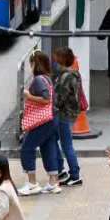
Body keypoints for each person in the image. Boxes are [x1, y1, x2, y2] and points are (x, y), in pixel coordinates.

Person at [18, 51, 63, 194]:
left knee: (27, 147)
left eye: (31, 63)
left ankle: (32, 183)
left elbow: (46, 99)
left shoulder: (38, 80)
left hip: (43, 120)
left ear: (34, 64)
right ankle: (53, 182)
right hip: (52, 118)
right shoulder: (47, 78)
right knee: (48, 147)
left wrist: (28, 95)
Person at [51, 47, 85, 186]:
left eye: (56, 59)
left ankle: (75, 175)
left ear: (62, 60)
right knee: (62, 142)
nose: (54, 61)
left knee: (66, 145)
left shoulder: (65, 77)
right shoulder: (74, 74)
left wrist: (51, 104)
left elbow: (60, 98)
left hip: (65, 114)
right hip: (70, 113)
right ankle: (66, 171)